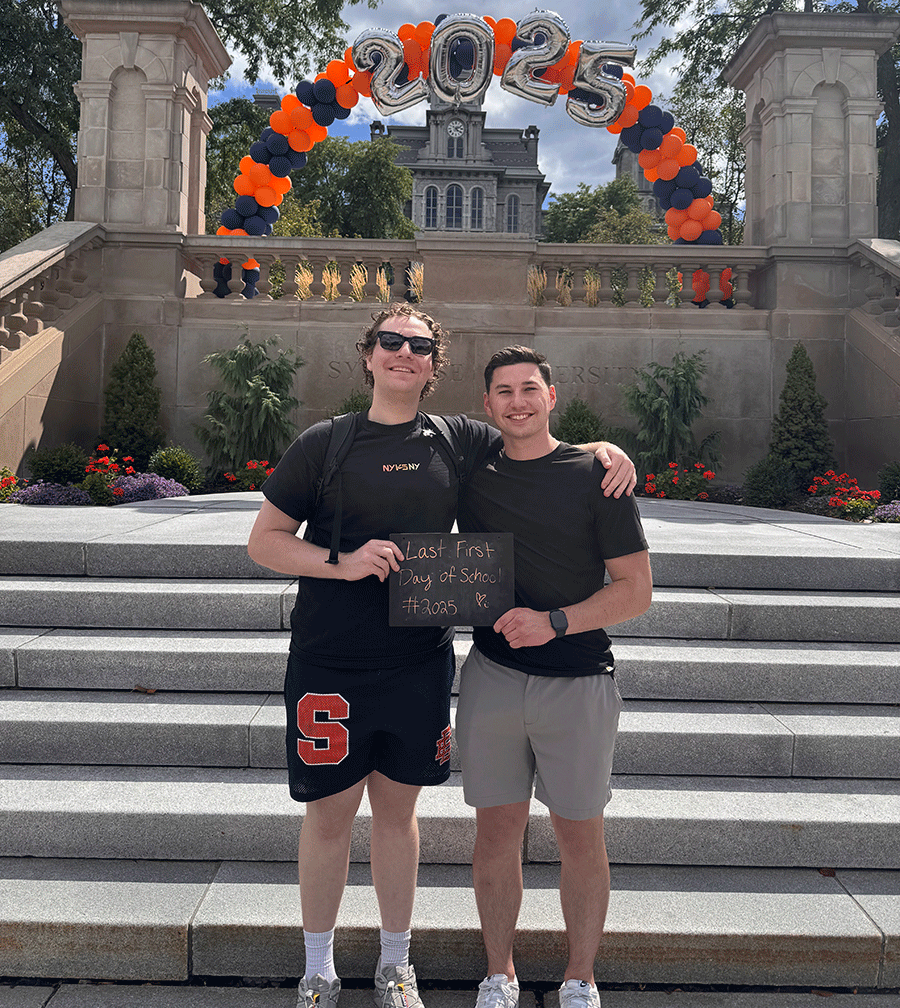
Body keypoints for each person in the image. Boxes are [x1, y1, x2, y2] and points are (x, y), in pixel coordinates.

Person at [247, 307, 636, 1008]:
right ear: (368, 355)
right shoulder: (324, 443)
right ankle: (318, 968)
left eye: (419, 345)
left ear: (434, 364)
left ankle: (397, 965)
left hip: (417, 658)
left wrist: (603, 449)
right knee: (329, 816)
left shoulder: (457, 439)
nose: (404, 353)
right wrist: (342, 562)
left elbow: (535, 437)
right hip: (329, 659)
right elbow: (265, 541)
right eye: (390, 342)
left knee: (398, 817)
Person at [455, 346, 653, 1008]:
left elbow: (636, 592)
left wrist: (556, 621)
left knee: (580, 833)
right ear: (487, 407)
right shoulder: (471, 474)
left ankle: (580, 976)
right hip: (493, 677)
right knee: (496, 832)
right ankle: (498, 972)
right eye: (504, 392)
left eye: (529, 389)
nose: (518, 401)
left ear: (552, 396)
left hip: (578, 681)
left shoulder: (598, 476)